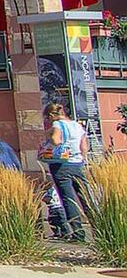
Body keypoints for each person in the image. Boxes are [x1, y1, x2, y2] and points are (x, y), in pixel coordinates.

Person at [41, 101, 88, 243]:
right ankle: (100, 229)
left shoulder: (57, 125)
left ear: (51, 115)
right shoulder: (77, 125)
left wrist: (49, 136)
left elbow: (56, 140)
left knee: (69, 199)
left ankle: (78, 234)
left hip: (61, 165)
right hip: (77, 164)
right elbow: (84, 147)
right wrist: (80, 159)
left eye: (47, 118)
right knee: (86, 197)